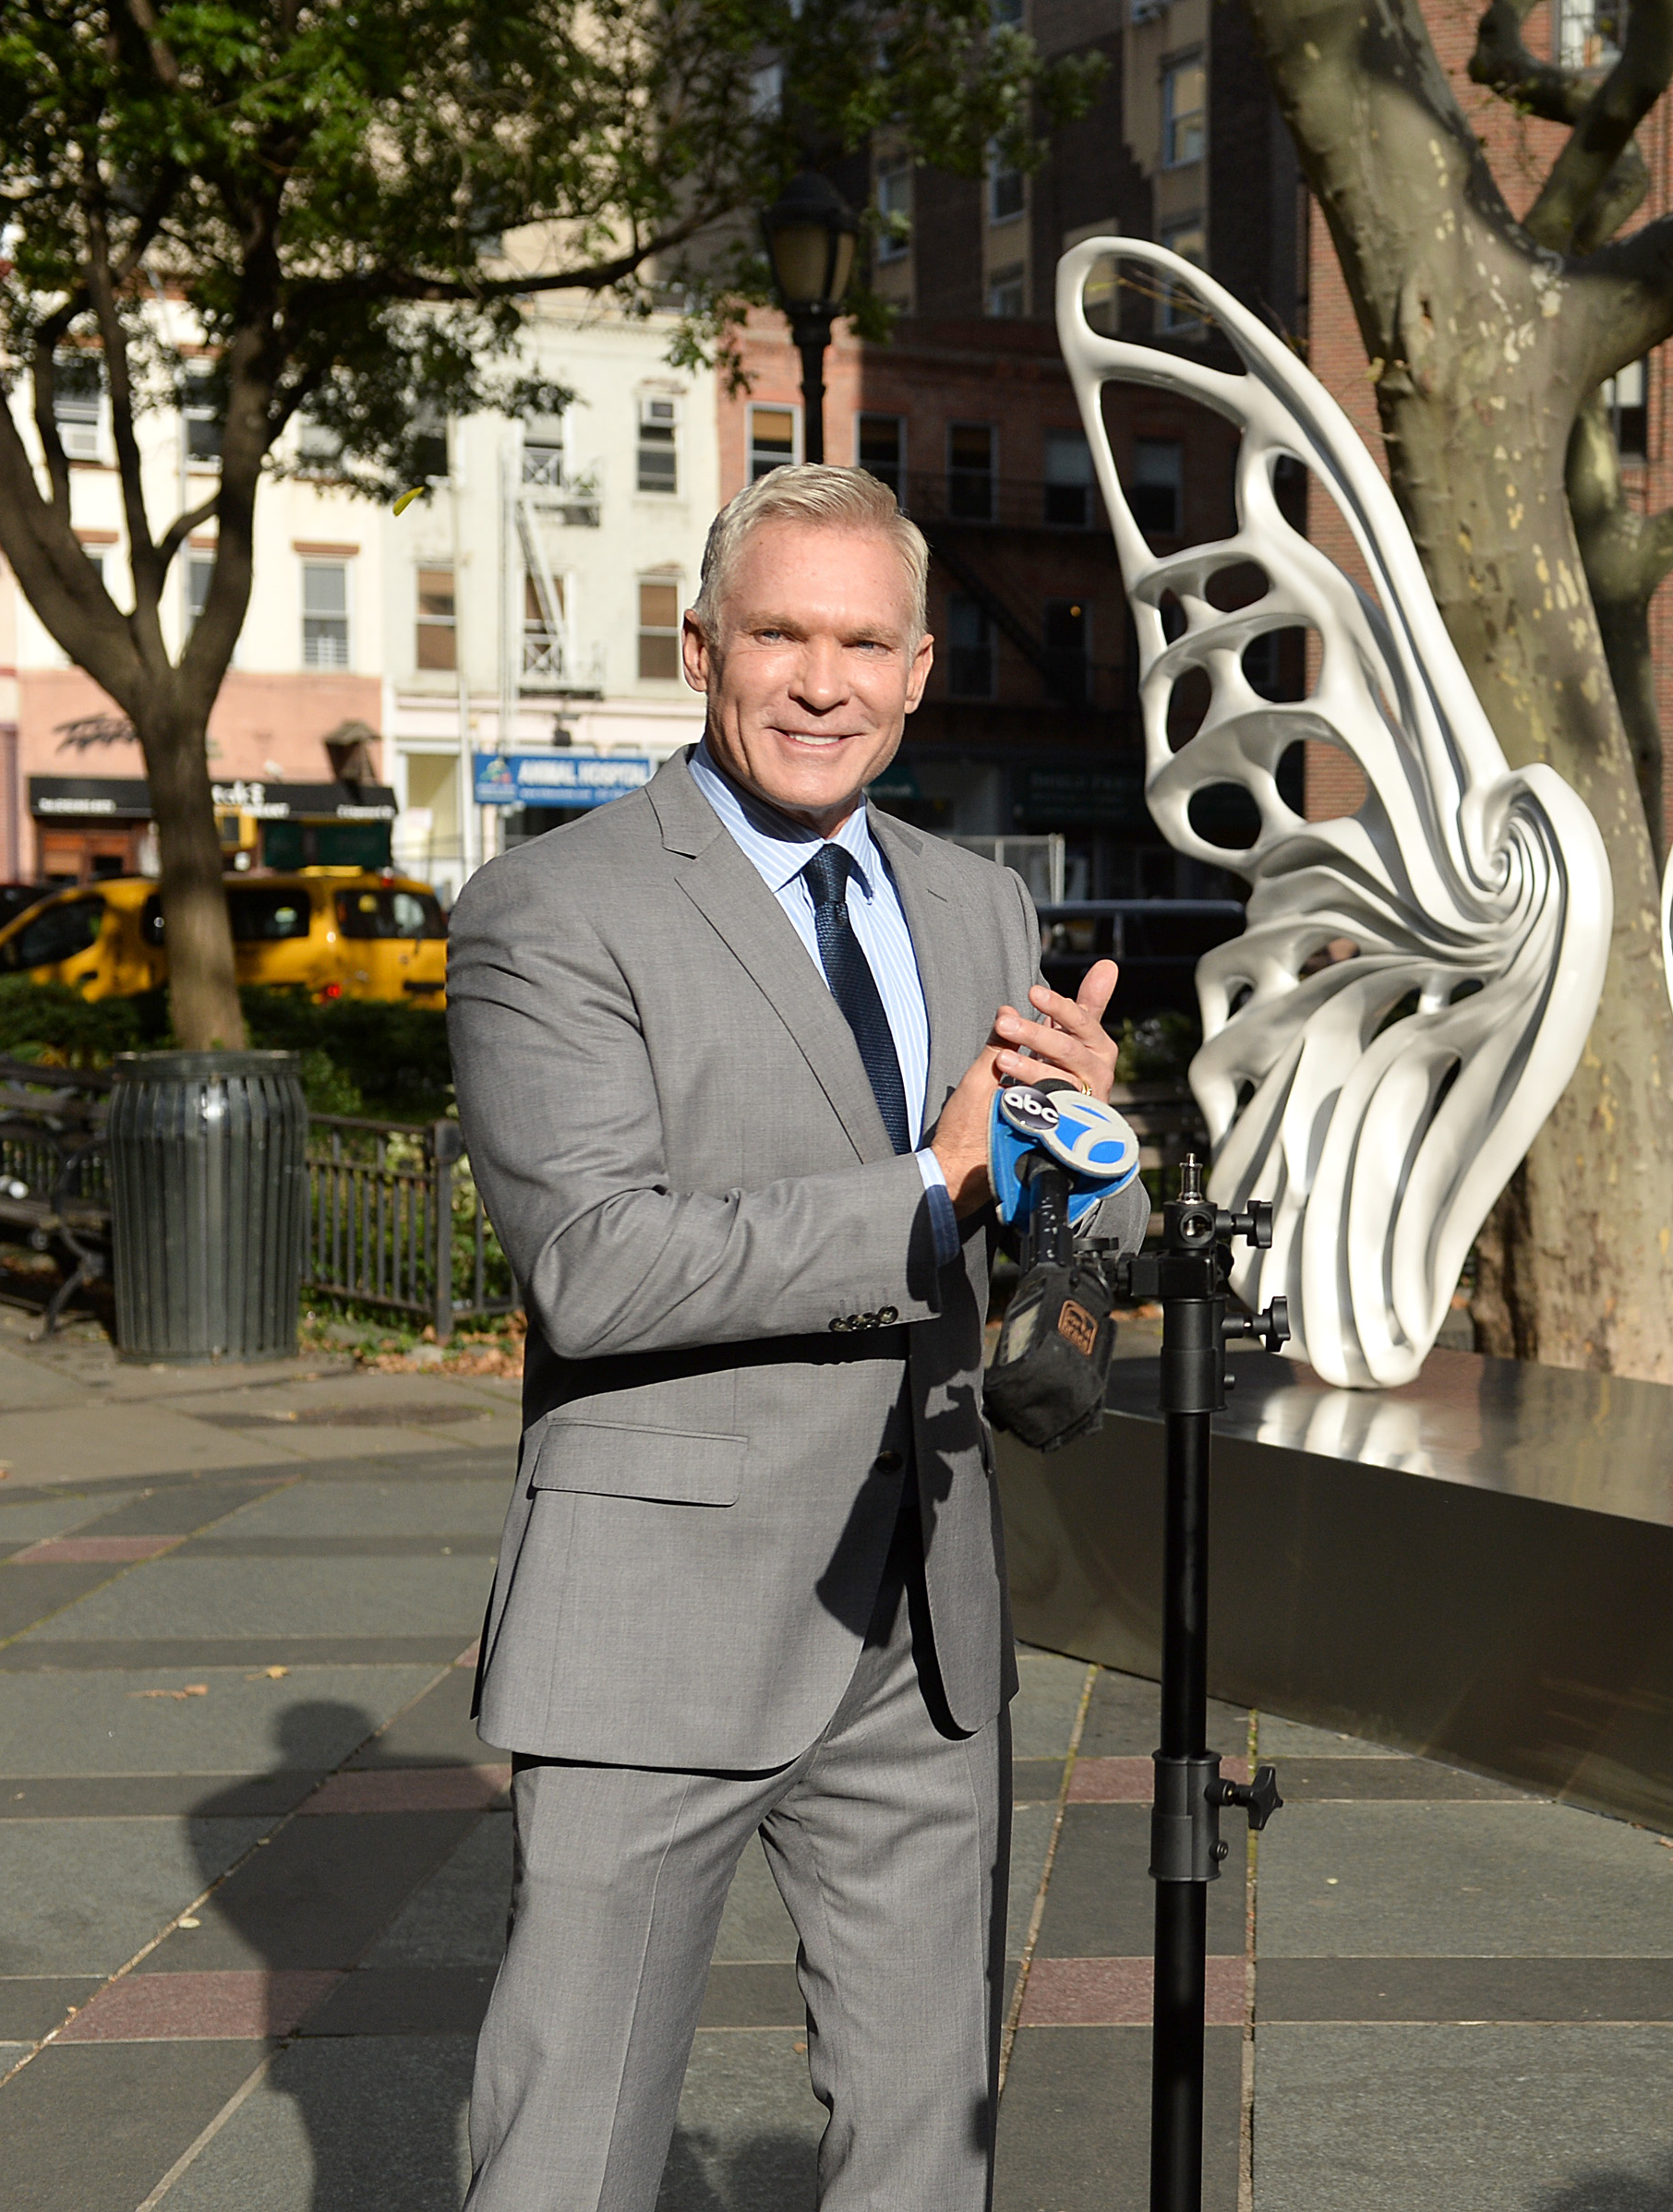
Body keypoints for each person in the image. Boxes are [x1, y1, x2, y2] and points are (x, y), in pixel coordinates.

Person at [445, 463, 1138, 2209]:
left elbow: (1045, 1226)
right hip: (658, 1621)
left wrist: (1094, 1159)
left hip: (924, 1618)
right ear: (701, 649)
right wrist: (938, 1182)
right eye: (779, 636)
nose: (822, 684)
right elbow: (594, 1266)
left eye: (864, 644)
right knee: (568, 2154)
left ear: (919, 672)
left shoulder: (979, 904)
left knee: (927, 2152)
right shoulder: (554, 906)